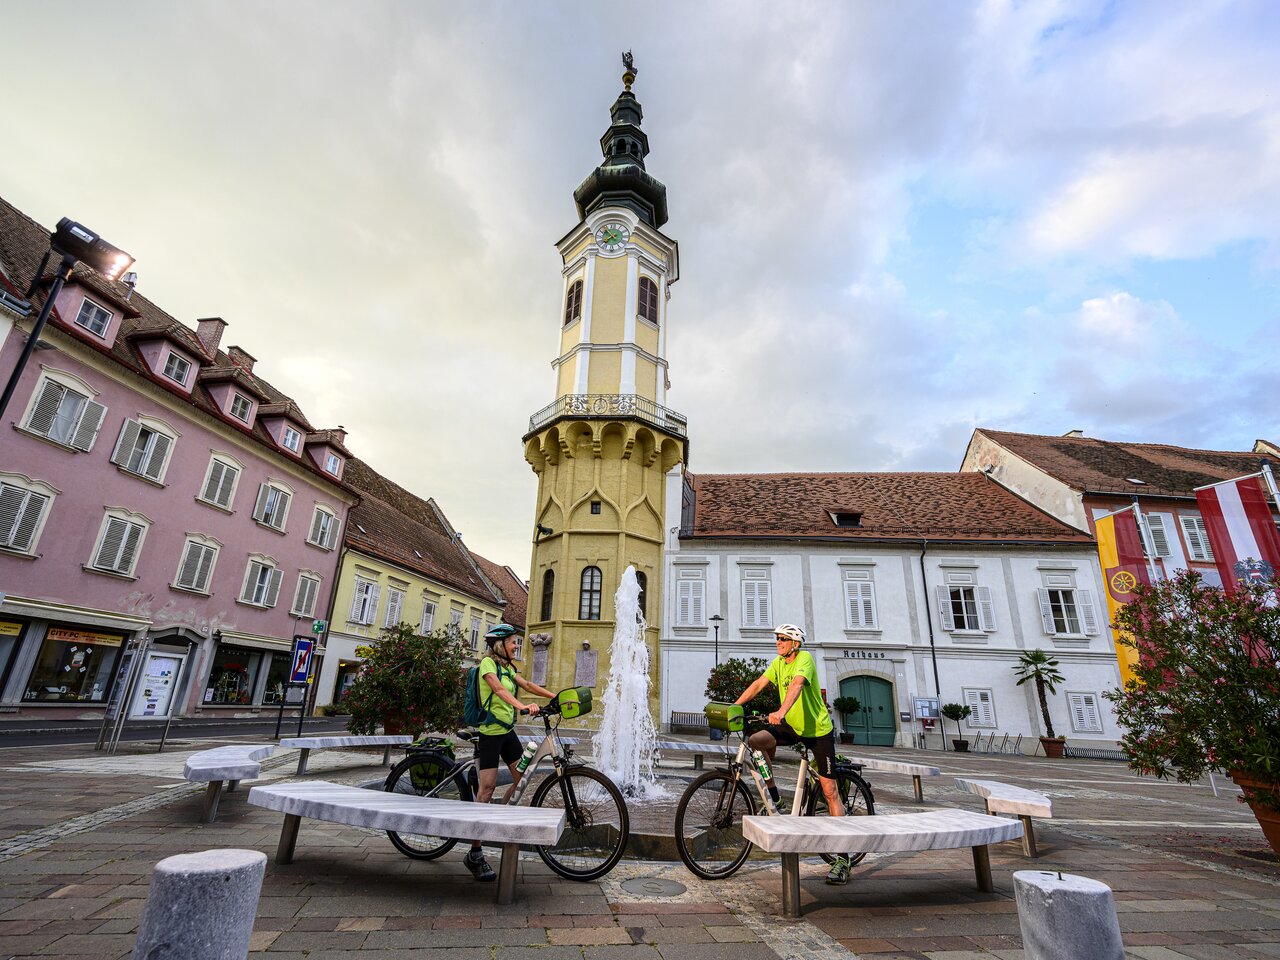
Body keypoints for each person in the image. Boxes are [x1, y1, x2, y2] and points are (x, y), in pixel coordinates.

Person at [733, 622, 851, 884]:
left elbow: (797, 686)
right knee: (756, 741)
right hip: (793, 727)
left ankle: (843, 858)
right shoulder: (778, 663)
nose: (778, 643)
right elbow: (758, 684)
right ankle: (776, 798)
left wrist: (781, 712)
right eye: (777, 639)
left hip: (817, 731)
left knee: (829, 790)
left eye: (783, 639)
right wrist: (734, 706)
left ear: (795, 644)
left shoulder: (804, 659)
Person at [463, 623, 554, 882]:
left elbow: (528, 684)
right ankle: (475, 853)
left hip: (506, 731)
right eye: (513, 642)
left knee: (521, 779)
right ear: (499, 645)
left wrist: (557, 697)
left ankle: (497, 818)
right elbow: (498, 689)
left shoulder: (508, 668)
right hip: (490, 733)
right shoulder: (488, 665)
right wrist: (522, 707)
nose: (516, 646)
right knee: (487, 789)